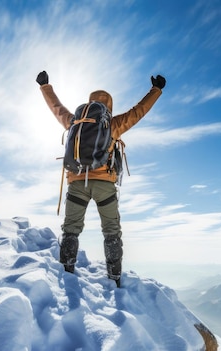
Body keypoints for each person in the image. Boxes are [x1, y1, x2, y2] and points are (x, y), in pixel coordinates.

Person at [36, 70, 166, 287]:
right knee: (111, 230)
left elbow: (56, 109)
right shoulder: (113, 125)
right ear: (109, 106)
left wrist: (45, 86)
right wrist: (156, 90)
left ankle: (67, 270)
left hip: (76, 182)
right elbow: (138, 112)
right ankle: (114, 278)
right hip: (104, 184)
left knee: (71, 228)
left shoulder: (74, 122)